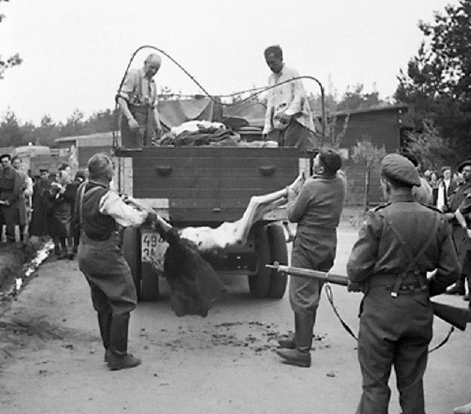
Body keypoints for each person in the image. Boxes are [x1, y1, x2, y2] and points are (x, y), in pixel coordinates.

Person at [346, 153, 460, 414]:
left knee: (375, 387)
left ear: (386, 183)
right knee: (412, 386)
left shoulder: (377, 218)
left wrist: (361, 282)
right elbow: (451, 271)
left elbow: (356, 269)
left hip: (381, 312)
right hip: (418, 310)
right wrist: (424, 291)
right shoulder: (437, 219)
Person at [74, 153, 156, 370]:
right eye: (111, 168)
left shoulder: (83, 190)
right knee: (125, 298)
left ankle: (109, 350)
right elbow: (131, 219)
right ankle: (118, 355)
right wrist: (148, 215)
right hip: (104, 252)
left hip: (85, 250)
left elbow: (76, 220)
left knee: (103, 302)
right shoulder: (107, 197)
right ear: (108, 173)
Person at [276, 149, 346, 368]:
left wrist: (291, 196)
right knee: (312, 293)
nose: (313, 163)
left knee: (301, 296)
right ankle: (300, 339)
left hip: (307, 245)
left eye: (316, 162)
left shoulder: (311, 187)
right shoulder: (340, 182)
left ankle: (302, 353)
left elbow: (293, 215)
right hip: (328, 244)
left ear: (321, 168)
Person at [262, 45, 315, 151]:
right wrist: (267, 127)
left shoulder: (292, 73)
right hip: (280, 122)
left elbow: (300, 96)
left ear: (281, 59)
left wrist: (288, 113)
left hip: (296, 120)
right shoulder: (271, 79)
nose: (271, 66)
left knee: (291, 151)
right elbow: (270, 105)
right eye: (268, 63)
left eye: (273, 62)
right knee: (280, 150)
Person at [117, 53, 163, 148]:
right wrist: (130, 119)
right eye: (151, 67)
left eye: (156, 69)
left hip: (147, 121)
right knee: (133, 150)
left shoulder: (153, 83)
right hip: (134, 118)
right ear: (145, 63)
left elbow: (153, 107)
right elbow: (121, 99)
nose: (153, 71)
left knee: (146, 150)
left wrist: (157, 125)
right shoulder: (134, 74)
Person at [444, 159, 471, 297]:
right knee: (457, 256)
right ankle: (459, 285)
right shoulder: (459, 187)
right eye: (464, 171)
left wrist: (452, 216)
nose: (465, 173)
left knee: (466, 256)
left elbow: (463, 210)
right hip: (454, 227)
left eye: (468, 171)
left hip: (463, 225)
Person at [0, 153, 22, 244]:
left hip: (10, 202)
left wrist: (9, 201)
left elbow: (17, 190)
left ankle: (11, 245)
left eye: (6, 162)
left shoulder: (14, 174)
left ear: (9, 162)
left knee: (10, 224)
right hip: (0, 200)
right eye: (2, 162)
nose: (4, 164)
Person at [11, 156, 33, 244]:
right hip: (11, 200)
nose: (16, 165)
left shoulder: (24, 175)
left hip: (21, 200)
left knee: (22, 220)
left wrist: (26, 191)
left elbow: (29, 188)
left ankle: (22, 239)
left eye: (18, 163)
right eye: (15, 163)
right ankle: (11, 240)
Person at [29, 168, 53, 241]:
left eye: (44, 174)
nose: (42, 176)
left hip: (47, 206)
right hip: (38, 206)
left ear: (48, 174)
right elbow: (34, 196)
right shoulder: (37, 185)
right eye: (41, 175)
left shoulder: (51, 184)